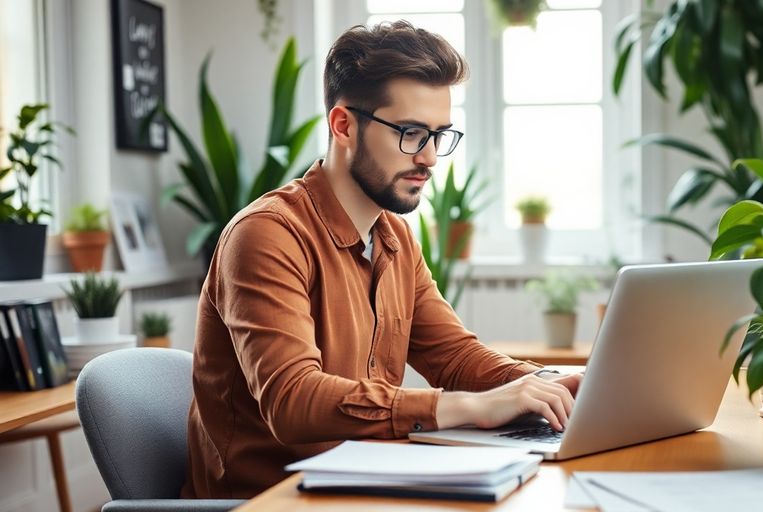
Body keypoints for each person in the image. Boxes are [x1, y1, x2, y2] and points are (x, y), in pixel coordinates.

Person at [181, 21, 583, 499]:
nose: (431, 158)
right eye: (411, 133)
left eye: (440, 135)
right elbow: (292, 400)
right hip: (274, 500)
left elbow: (454, 356)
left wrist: (547, 383)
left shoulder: (394, 237)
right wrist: (466, 407)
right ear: (343, 125)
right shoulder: (266, 235)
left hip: (366, 484)